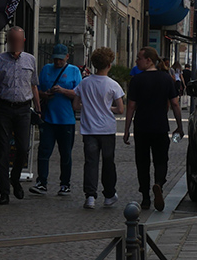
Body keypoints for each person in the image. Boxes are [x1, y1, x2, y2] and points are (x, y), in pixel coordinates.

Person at [0, 26, 41, 205]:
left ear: (23, 41)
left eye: (17, 40)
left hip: (24, 109)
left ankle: (15, 178)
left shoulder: (30, 60)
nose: (14, 43)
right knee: (2, 150)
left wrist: (38, 109)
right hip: (4, 108)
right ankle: (4, 192)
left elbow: (34, 86)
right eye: (11, 40)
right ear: (8, 41)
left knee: (23, 148)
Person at [124, 47, 184, 211]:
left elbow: (130, 106)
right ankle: (158, 183)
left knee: (142, 163)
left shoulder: (136, 80)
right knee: (161, 160)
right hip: (160, 126)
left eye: (139, 58)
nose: (137, 61)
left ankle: (145, 198)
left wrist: (127, 129)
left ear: (149, 60)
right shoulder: (166, 79)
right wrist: (179, 125)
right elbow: (175, 104)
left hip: (142, 127)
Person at [75, 47, 126, 209]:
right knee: (108, 162)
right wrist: (107, 108)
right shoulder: (113, 85)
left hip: (89, 129)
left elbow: (76, 105)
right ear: (109, 64)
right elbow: (120, 109)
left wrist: (89, 106)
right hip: (107, 129)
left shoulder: (84, 83)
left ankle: (90, 196)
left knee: (90, 162)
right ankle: (109, 194)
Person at [32, 44, 82, 197]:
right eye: (55, 59)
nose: (57, 62)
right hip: (48, 119)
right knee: (44, 151)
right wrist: (44, 95)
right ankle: (41, 182)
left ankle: (65, 184)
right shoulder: (46, 69)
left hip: (66, 120)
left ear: (67, 57)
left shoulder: (74, 71)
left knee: (65, 153)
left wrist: (63, 91)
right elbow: (37, 89)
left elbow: (79, 93)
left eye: (60, 59)